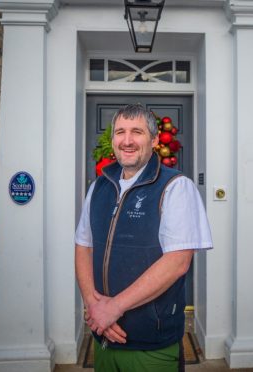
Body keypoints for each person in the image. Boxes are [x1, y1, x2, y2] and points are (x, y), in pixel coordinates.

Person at [75, 103, 212, 371]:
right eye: (120, 132)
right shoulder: (99, 187)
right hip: (103, 335)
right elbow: (84, 246)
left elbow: (177, 262)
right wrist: (94, 306)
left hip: (151, 344)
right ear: (112, 139)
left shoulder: (176, 187)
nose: (127, 140)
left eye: (136, 132)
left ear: (154, 139)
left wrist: (113, 308)